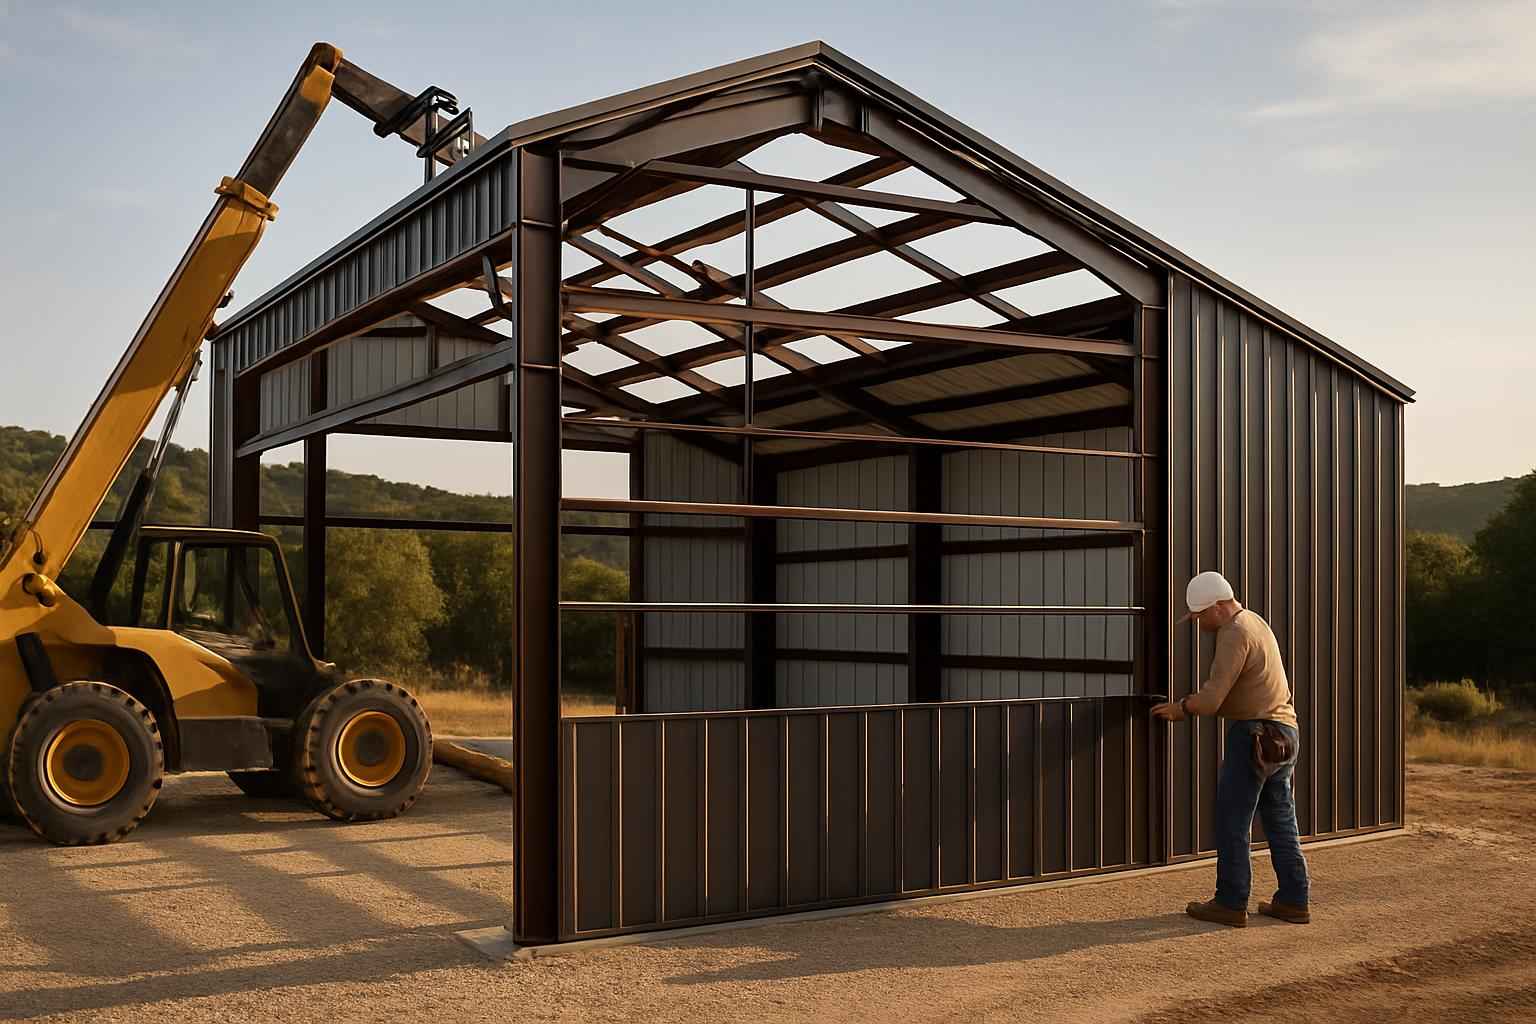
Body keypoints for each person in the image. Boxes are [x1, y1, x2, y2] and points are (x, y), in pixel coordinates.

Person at [1152, 570, 1311, 927]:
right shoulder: (1255, 622)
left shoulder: (1233, 632)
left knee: (1233, 820)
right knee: (1281, 819)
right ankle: (1294, 899)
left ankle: (1230, 902)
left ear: (1219, 606)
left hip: (1254, 735)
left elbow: (1212, 699)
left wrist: (1182, 708)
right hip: (1285, 732)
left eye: (1200, 615)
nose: (1198, 623)